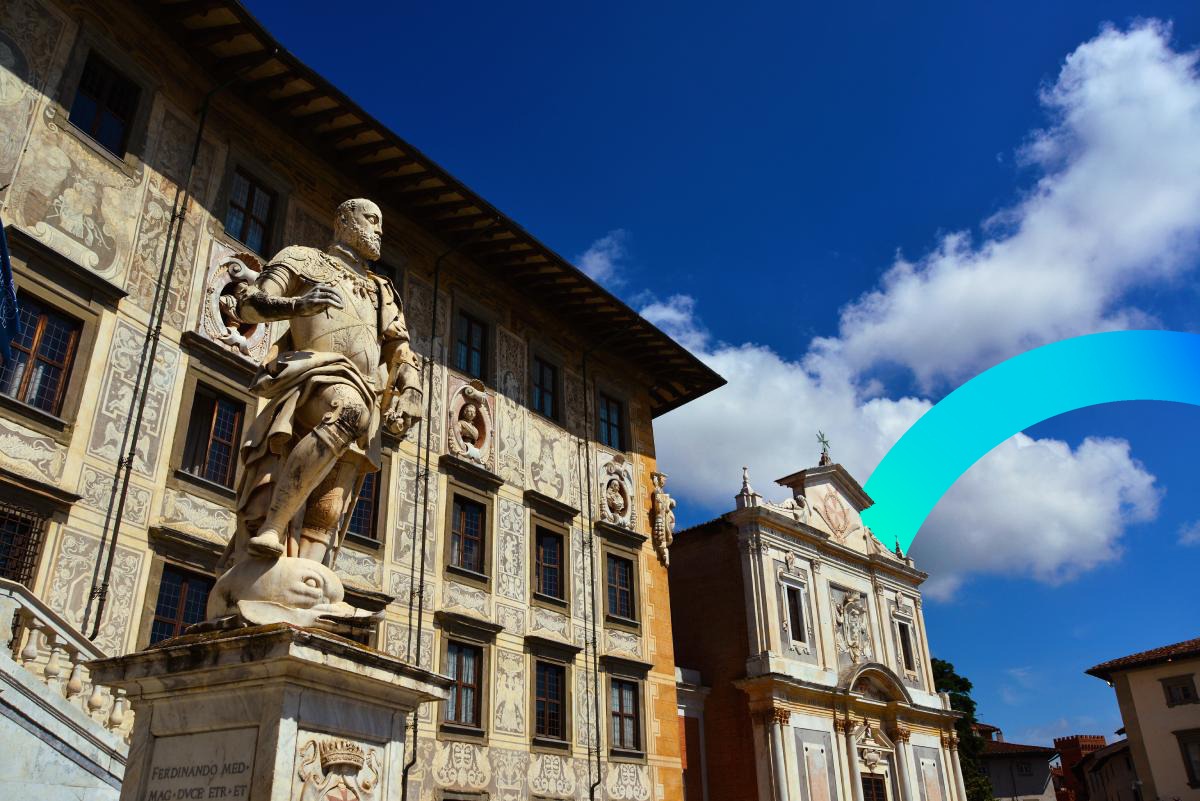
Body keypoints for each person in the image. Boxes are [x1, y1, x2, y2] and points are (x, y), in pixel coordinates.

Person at [225, 198, 421, 567]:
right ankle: (274, 525)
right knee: (347, 410)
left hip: (366, 390)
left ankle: (308, 576)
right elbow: (249, 304)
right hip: (315, 373)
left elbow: (400, 350)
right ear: (344, 220)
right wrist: (297, 306)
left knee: (329, 507)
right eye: (372, 220)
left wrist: (411, 390)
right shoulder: (302, 259)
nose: (379, 230)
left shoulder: (382, 291)